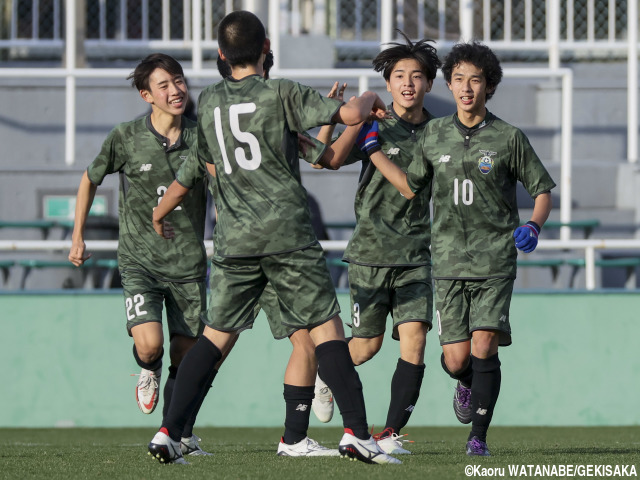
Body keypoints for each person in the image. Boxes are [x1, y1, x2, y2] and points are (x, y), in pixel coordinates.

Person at [147, 10, 400, 465]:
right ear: (266, 47)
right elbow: (346, 114)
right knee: (326, 328)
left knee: (214, 338)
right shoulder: (280, 92)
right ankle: (358, 434)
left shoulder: (209, 104)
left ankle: (168, 431)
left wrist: (160, 210)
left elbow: (194, 172)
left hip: (235, 241)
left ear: (222, 55)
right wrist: (368, 97)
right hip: (286, 236)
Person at [355, 41, 556, 456]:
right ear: (449, 83)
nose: (466, 88)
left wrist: (533, 225)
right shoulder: (433, 133)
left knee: (484, 344)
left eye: (475, 80)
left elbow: (541, 191)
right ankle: (466, 382)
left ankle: (478, 437)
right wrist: (373, 151)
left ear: (489, 87)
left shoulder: (508, 137)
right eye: (459, 79)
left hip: (495, 259)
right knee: (454, 360)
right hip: (446, 262)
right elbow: (410, 187)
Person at [68, 53, 213, 455]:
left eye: (179, 81)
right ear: (146, 94)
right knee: (151, 345)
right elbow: (89, 178)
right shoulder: (125, 137)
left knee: (187, 359)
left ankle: (176, 433)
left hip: (187, 265)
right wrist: (77, 235)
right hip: (140, 263)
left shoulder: (203, 137)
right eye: (164, 85)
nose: (175, 90)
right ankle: (147, 369)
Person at [313, 32, 440, 455]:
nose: (408, 83)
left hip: (416, 255)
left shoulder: (439, 134)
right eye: (399, 75)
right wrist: (334, 116)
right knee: (365, 347)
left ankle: (388, 435)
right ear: (388, 83)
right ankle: (324, 374)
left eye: (417, 76)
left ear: (429, 84)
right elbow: (322, 157)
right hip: (370, 252)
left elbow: (412, 188)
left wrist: (373, 151)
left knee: (416, 339)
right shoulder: (372, 124)